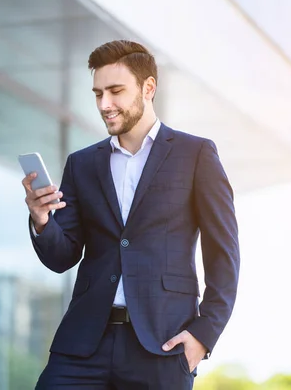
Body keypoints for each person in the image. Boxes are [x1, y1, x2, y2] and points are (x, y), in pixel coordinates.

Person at [22, 40, 240, 390]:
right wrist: (42, 220)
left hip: (161, 345)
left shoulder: (196, 154)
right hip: (83, 344)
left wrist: (204, 333)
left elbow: (223, 254)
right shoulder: (82, 164)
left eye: (115, 91)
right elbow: (63, 256)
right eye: (97, 94)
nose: (104, 104)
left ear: (148, 87)